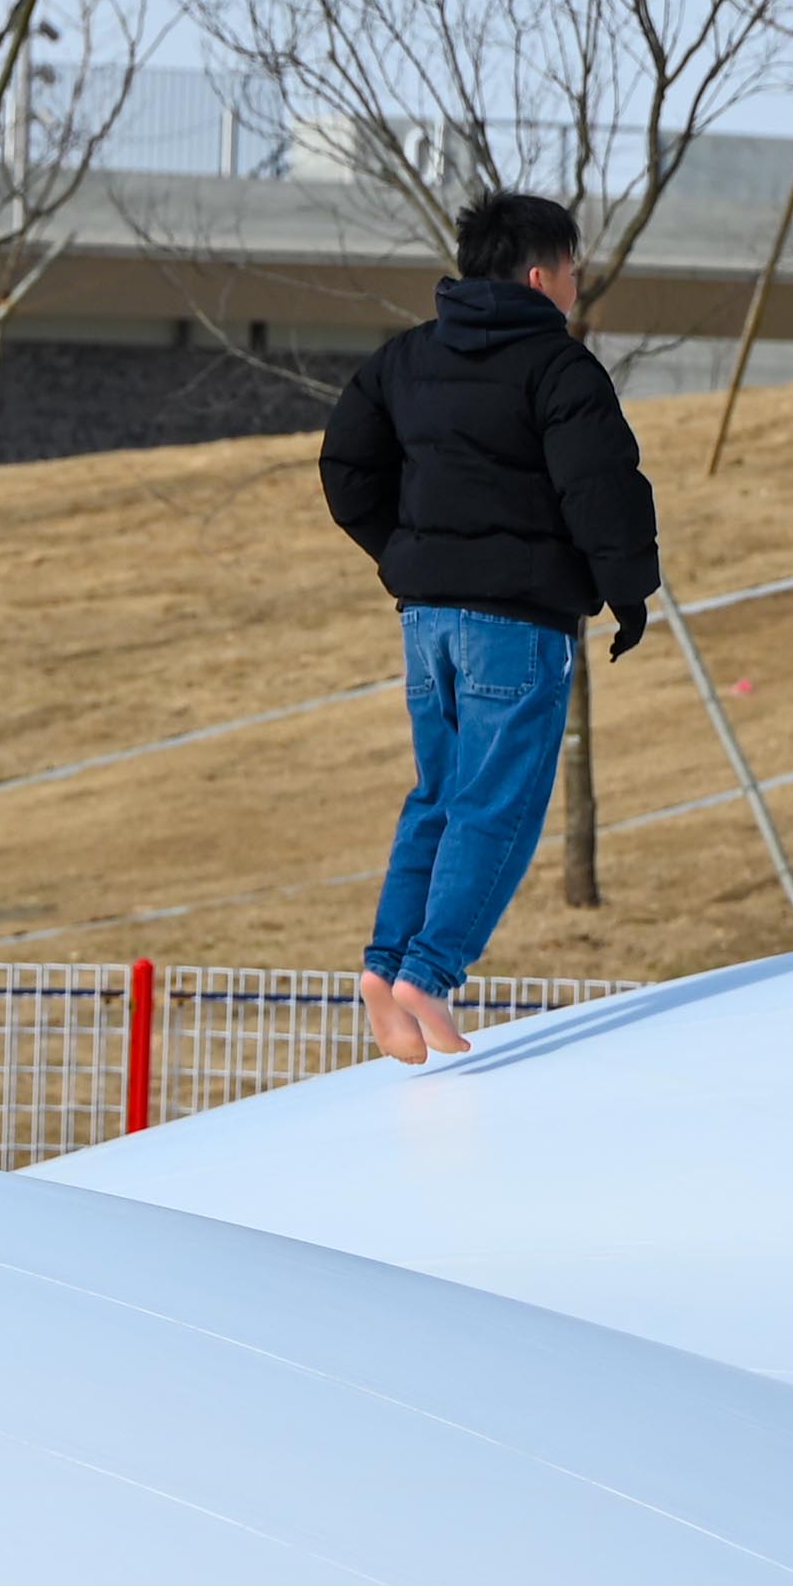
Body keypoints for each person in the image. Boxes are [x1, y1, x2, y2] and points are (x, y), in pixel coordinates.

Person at [315, 186, 658, 1062]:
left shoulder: (404, 359)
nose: (577, 290)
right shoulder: (558, 367)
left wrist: (406, 554)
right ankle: (429, 975)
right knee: (496, 806)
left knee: (437, 793)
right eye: (575, 274)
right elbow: (603, 488)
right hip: (517, 624)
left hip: (427, 623)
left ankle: (385, 969)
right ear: (541, 275)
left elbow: (346, 464)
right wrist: (627, 594)